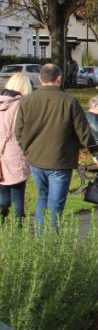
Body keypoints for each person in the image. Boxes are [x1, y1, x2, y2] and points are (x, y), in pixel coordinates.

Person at [15, 64, 98, 232]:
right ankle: (51, 241)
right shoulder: (69, 101)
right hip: (60, 159)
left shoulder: (27, 100)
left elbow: (18, 131)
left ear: (40, 79)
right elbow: (83, 132)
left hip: (36, 159)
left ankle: (43, 238)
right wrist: (97, 154)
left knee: (43, 197)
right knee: (55, 203)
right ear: (59, 78)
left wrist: (27, 150)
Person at [0, 74, 32, 225]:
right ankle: (18, 231)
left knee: (4, 196)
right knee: (18, 197)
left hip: (1, 154)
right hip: (15, 153)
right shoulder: (22, 104)